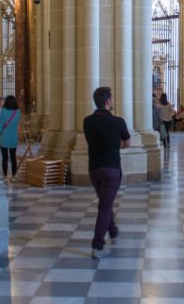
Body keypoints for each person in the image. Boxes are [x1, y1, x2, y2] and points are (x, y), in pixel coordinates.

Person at [83, 86, 131, 259]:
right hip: (111, 169)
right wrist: (115, 144)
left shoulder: (87, 121)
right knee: (104, 206)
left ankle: (113, 231)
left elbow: (92, 141)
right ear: (108, 101)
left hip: (94, 170)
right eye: (112, 98)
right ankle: (97, 245)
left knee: (105, 202)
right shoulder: (118, 122)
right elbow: (128, 143)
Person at [0, 95, 21, 183]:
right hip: (13, 137)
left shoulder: (3, 111)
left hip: (4, 136)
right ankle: (14, 176)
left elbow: (0, 124)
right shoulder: (18, 112)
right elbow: (17, 124)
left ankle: (5, 176)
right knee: (13, 157)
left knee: (5, 158)